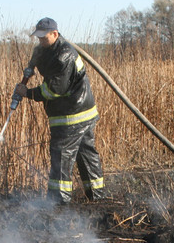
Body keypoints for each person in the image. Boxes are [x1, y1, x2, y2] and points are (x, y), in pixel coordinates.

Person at [14, 17, 105, 204]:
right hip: (83, 111)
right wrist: (30, 67)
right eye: (37, 38)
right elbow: (38, 58)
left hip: (71, 115)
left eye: (43, 37)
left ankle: (58, 203)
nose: (40, 41)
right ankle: (97, 198)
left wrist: (27, 93)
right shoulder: (44, 49)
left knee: (62, 155)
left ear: (55, 34)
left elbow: (53, 90)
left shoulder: (65, 55)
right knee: (86, 154)